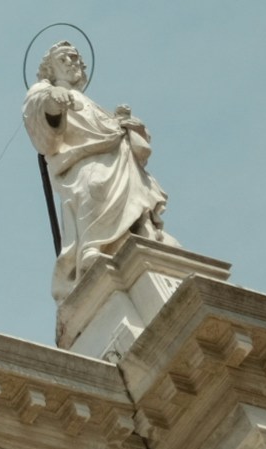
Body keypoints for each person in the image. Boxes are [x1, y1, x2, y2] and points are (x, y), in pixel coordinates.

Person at [23, 41, 172, 298]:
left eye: (74, 57)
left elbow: (109, 130)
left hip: (117, 159)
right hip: (81, 162)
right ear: (50, 68)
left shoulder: (89, 102)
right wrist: (52, 104)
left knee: (134, 201)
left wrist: (125, 125)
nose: (71, 62)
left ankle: (140, 235)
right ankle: (93, 246)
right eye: (64, 58)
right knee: (95, 187)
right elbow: (40, 123)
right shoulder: (42, 91)